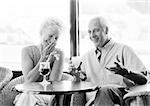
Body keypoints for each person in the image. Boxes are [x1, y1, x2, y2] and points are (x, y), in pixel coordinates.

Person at [70, 16, 147, 106]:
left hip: (119, 95)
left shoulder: (124, 50)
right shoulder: (86, 57)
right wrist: (76, 76)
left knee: (104, 90)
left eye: (96, 30)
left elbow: (144, 79)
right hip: (93, 98)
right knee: (76, 93)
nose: (92, 35)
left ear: (106, 30)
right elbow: (81, 80)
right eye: (90, 32)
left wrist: (126, 72)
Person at [14, 17, 64, 106]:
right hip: (29, 94)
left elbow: (53, 85)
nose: (53, 41)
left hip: (47, 96)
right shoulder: (27, 51)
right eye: (50, 36)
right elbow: (29, 80)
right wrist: (43, 58)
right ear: (41, 33)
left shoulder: (59, 54)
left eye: (56, 38)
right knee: (28, 96)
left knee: (27, 96)